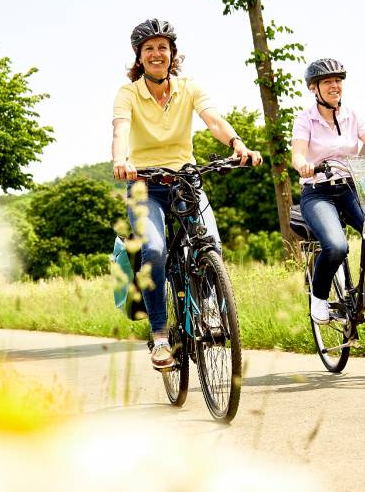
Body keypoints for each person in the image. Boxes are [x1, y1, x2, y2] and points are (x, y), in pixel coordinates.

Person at [112, 18, 262, 369]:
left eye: (162, 47)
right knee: (154, 249)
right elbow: (120, 131)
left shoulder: (189, 87)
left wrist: (238, 143)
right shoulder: (128, 94)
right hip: (145, 185)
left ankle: (208, 308)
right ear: (139, 56)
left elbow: (214, 120)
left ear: (172, 54)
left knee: (211, 243)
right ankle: (161, 336)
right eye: (148, 48)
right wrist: (121, 160)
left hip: (185, 181)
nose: (156, 53)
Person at [290, 58, 365, 324]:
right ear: (314, 88)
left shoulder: (352, 115)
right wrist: (304, 165)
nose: (334, 86)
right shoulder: (305, 120)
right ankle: (319, 297)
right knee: (336, 246)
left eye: (338, 80)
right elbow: (298, 153)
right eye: (327, 81)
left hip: (351, 187)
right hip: (317, 192)